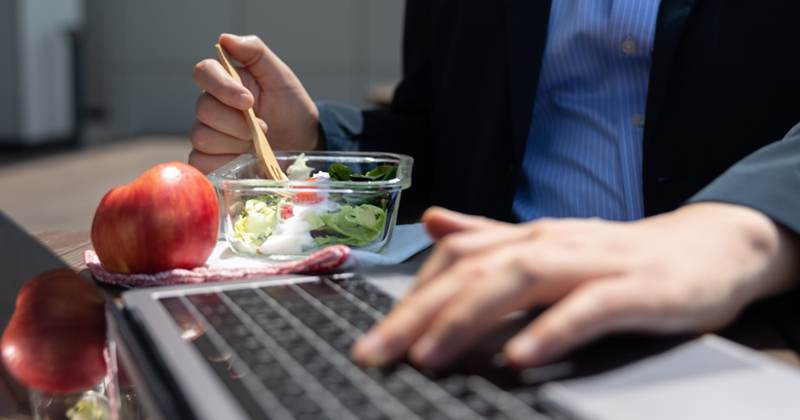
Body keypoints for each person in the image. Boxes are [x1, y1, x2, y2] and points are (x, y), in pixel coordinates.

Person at [190, 1, 800, 369]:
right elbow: (449, 129)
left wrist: (737, 229)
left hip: (755, 321)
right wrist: (321, 142)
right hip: (488, 310)